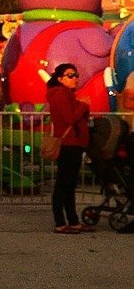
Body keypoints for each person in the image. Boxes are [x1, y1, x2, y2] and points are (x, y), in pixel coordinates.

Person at [46, 64, 91, 234]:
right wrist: (84, 105)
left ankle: (73, 221)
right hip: (68, 144)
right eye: (70, 75)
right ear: (60, 79)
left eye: (76, 75)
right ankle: (60, 222)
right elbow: (70, 118)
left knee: (70, 184)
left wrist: (82, 106)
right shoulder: (59, 94)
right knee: (64, 184)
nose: (75, 78)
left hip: (75, 143)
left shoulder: (67, 95)